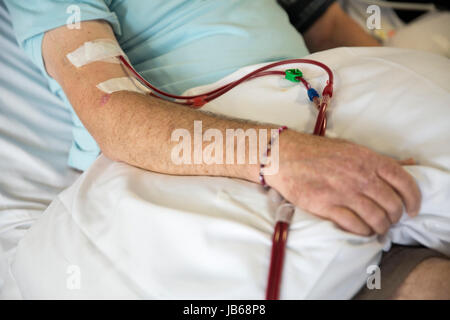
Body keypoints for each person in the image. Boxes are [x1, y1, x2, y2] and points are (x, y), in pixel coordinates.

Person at [5, 0, 447, 299]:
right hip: (197, 153)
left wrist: (394, 93)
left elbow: (332, 27)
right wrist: (279, 154)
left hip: (320, 95)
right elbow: (112, 113)